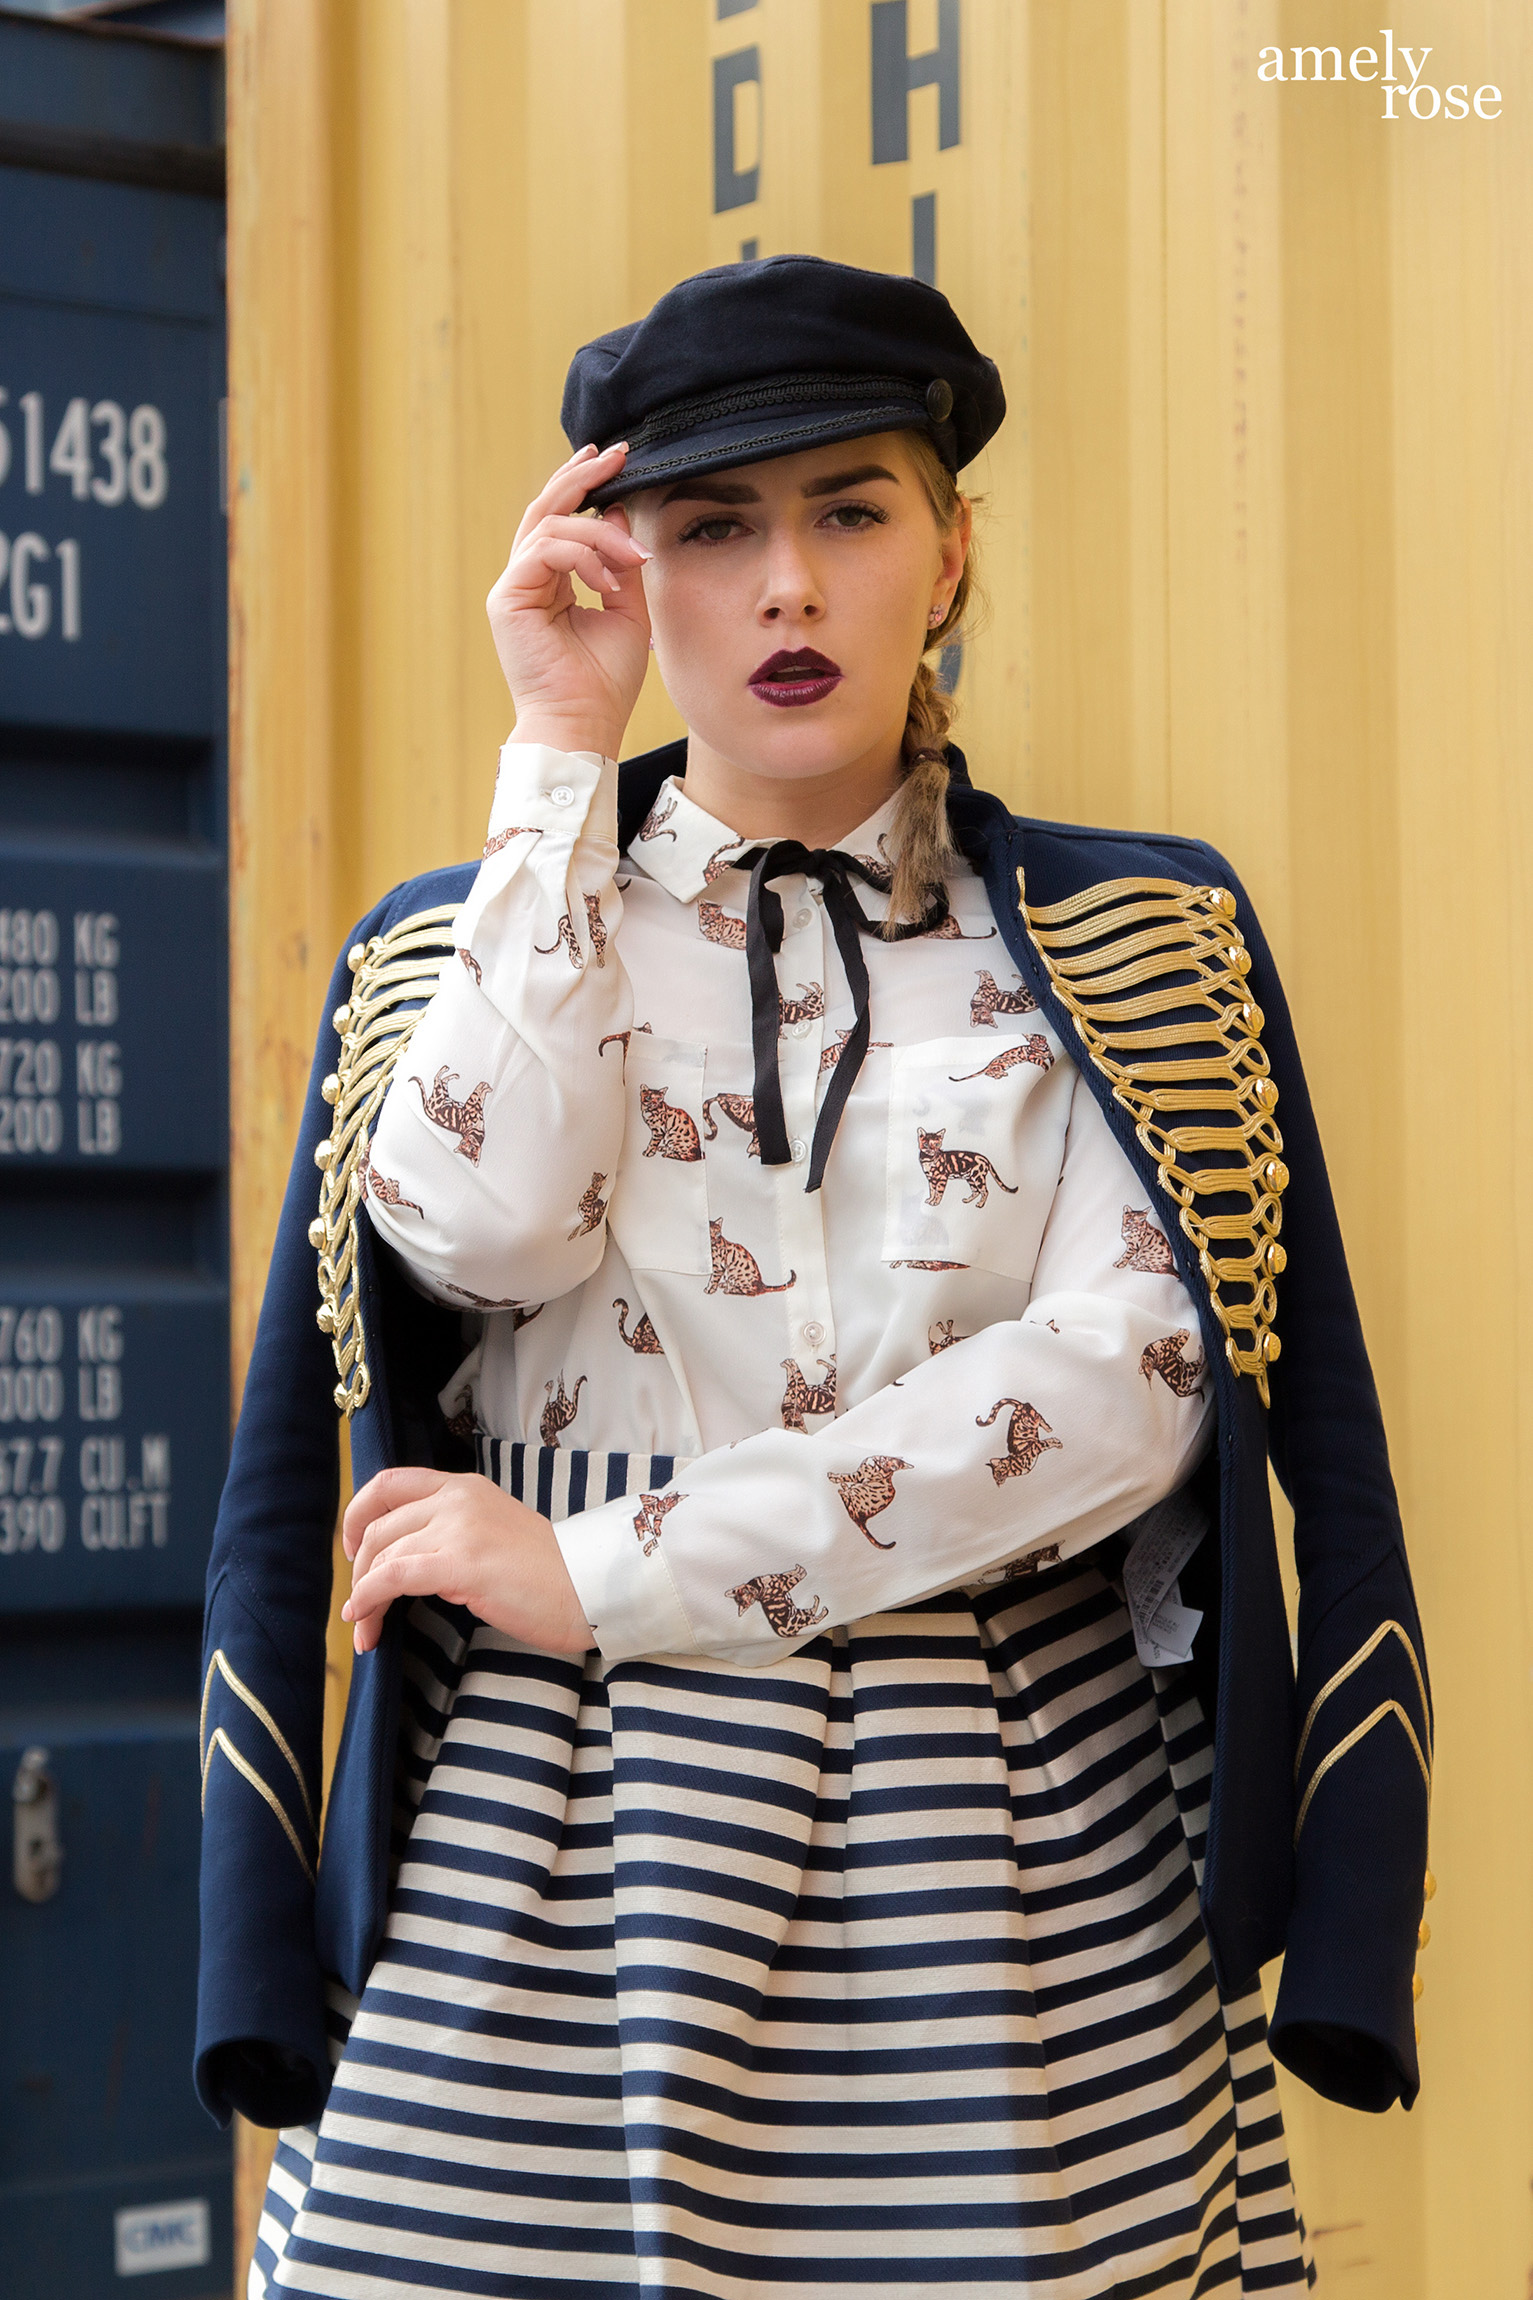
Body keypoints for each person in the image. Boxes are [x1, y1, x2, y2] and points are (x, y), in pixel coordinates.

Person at [198, 256, 1432, 2299]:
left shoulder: (1137, 940)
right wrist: (555, 758)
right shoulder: (471, 932)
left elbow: (1122, 1392)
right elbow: (476, 1230)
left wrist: (599, 1568)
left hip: (1007, 1863)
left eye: (847, 512)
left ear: (947, 554)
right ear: (624, 568)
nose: (786, 586)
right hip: (549, 1866)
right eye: (710, 526)